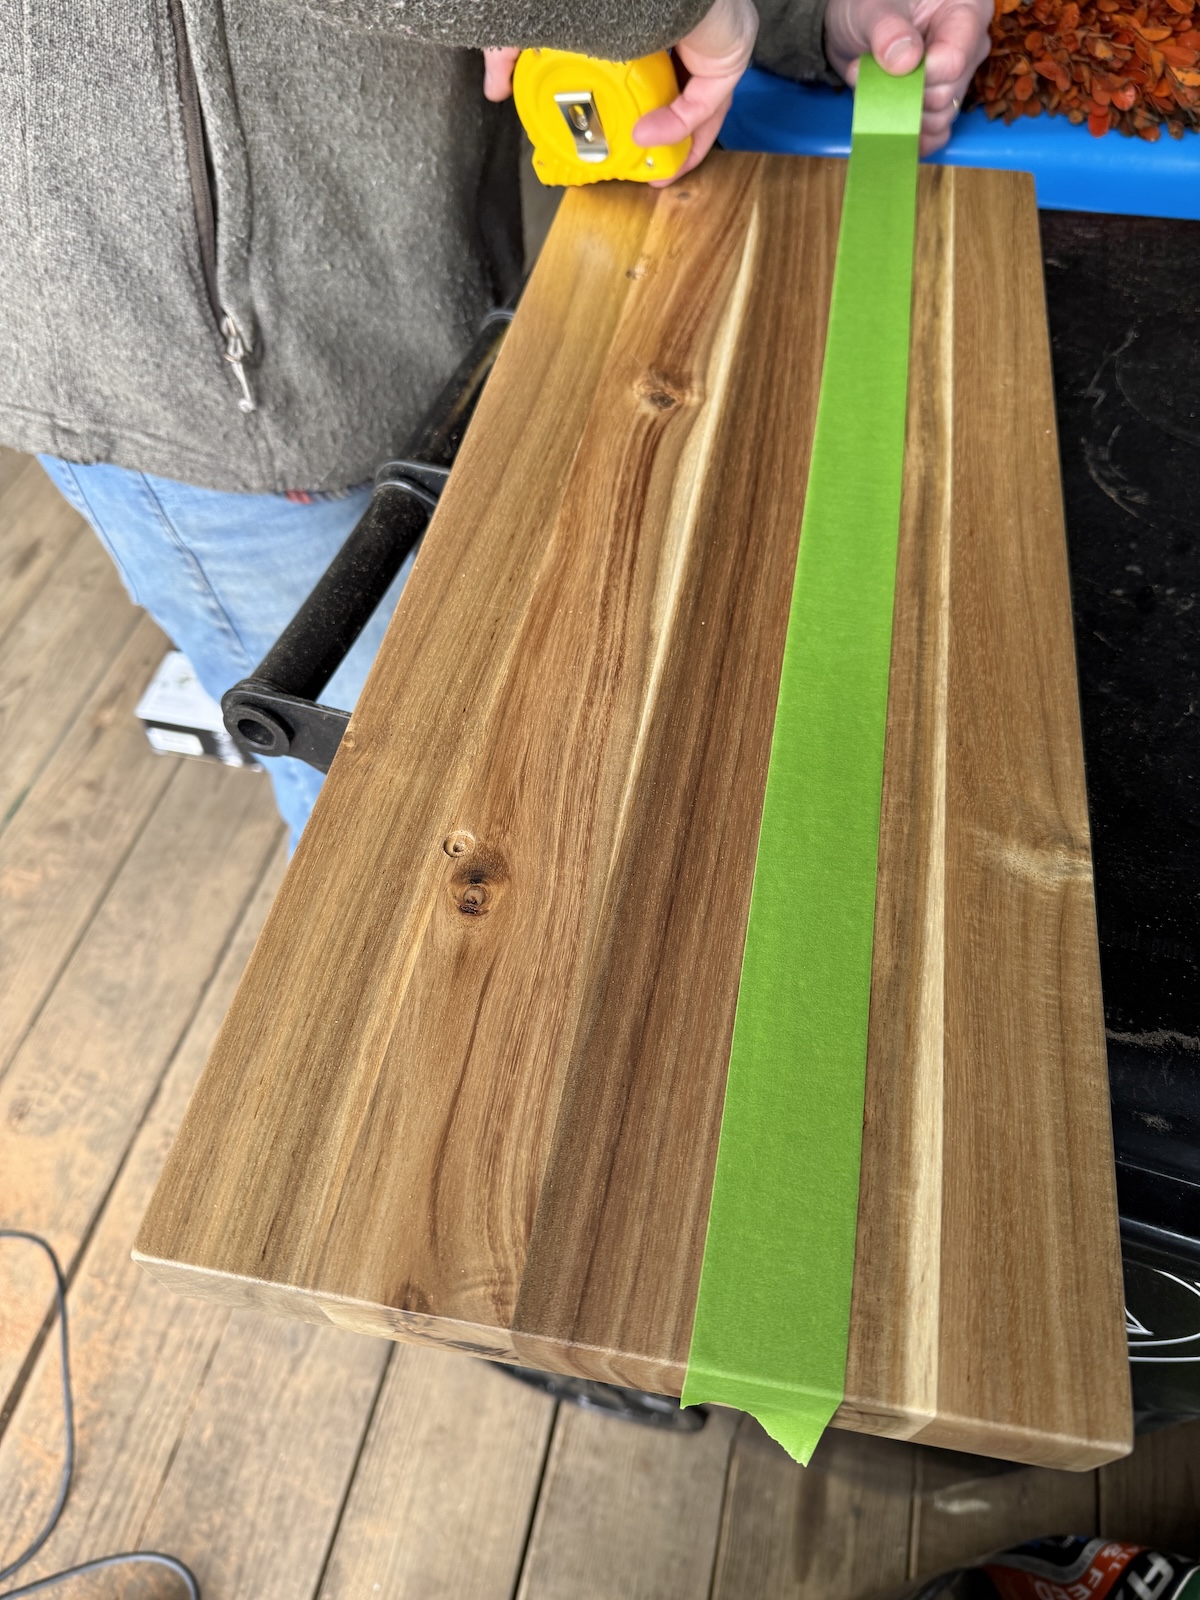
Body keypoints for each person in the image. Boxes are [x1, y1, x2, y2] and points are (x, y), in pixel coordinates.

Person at [3, 0, 990, 847]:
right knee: (393, 833)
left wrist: (789, 11)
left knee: (519, 736)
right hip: (227, 387)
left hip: (452, 291)